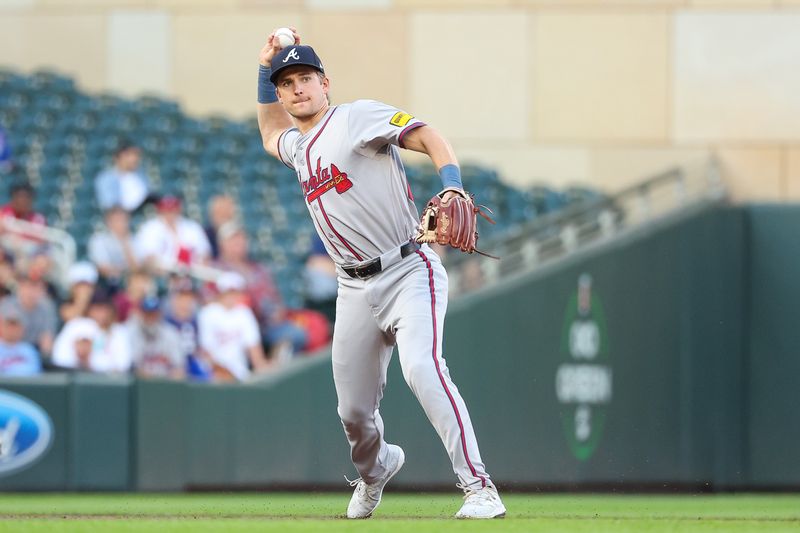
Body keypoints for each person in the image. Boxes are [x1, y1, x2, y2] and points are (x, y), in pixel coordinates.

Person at [254, 30, 505, 519]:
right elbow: (268, 133)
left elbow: (429, 135)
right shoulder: (299, 147)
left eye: (305, 77)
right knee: (353, 412)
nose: (297, 88)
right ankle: (377, 470)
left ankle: (479, 487)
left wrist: (451, 185)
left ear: (325, 83)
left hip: (408, 267)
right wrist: (263, 69)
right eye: (287, 83)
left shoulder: (355, 117)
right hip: (352, 286)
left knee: (423, 368)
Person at [211, 221, 308, 361]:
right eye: (232, 239)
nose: (238, 242)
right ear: (222, 244)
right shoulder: (215, 269)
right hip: (236, 330)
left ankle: (275, 368)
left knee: (296, 334)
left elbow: (275, 298)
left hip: (267, 325)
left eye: (241, 238)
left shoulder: (258, 268)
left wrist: (276, 313)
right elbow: (212, 303)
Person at [197, 271, 271, 382]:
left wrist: (263, 369)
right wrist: (226, 374)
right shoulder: (208, 313)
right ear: (221, 292)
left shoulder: (244, 313)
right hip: (214, 376)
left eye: (236, 292)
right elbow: (206, 353)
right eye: (229, 292)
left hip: (240, 374)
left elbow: (254, 350)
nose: (232, 296)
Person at [135, 195, 211, 274]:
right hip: (162, 274)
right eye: (166, 211)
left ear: (179, 210)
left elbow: (205, 254)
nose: (170, 214)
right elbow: (148, 259)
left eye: (172, 210)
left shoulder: (192, 227)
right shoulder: (150, 228)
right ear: (160, 211)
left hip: (191, 274)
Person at [0, 273, 58, 359]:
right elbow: (7, 334)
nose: (31, 292)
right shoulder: (7, 305)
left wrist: (44, 356)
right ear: (20, 288)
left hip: (35, 350)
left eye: (36, 287)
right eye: (28, 287)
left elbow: (47, 337)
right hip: (10, 348)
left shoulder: (47, 306)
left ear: (42, 290)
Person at [127, 295, 184, 380]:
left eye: (154, 314)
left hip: (166, 385)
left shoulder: (171, 334)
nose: (150, 318)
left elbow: (179, 369)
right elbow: (130, 367)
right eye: (147, 314)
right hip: (139, 385)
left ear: (160, 314)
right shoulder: (131, 333)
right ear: (141, 314)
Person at [88, 205, 139, 288]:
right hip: (106, 284)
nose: (121, 224)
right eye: (117, 220)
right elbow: (103, 269)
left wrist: (125, 243)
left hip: (130, 283)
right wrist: (125, 271)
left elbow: (137, 268)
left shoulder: (133, 239)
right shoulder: (99, 239)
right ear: (108, 222)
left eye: (124, 220)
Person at [94, 140, 151, 212]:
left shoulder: (141, 175)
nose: (134, 159)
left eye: (136, 155)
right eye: (129, 155)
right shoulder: (106, 178)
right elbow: (109, 203)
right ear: (118, 157)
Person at [0, 309, 42, 376]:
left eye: (15, 327)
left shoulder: (29, 349)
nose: (12, 330)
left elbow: (35, 372)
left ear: (22, 329)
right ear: (1, 328)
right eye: (9, 326)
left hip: (27, 385)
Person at [204, 195, 239, 259]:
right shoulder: (205, 235)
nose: (225, 215)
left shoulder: (237, 234)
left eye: (227, 210)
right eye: (221, 211)